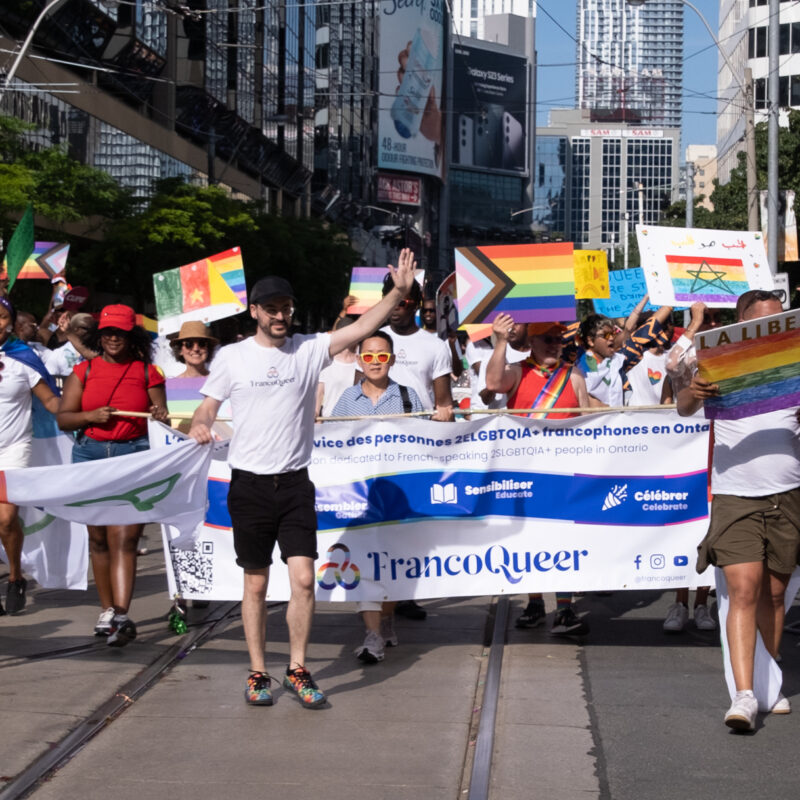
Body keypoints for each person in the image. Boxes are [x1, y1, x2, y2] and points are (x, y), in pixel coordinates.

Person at [188, 250, 418, 708]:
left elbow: (360, 328)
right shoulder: (232, 358)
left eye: (286, 308)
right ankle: (257, 673)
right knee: (255, 584)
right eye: (271, 309)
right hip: (249, 484)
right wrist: (199, 422)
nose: (280, 316)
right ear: (254, 311)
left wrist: (397, 292)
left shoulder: (309, 348)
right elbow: (207, 406)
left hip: (294, 485)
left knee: (304, 580)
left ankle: (297, 667)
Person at [678, 289, 797, 731]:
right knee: (744, 590)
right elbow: (683, 406)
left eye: (780, 318)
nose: (773, 326)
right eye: (763, 320)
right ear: (742, 323)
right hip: (735, 496)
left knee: (775, 594)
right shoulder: (712, 360)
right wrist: (693, 390)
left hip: (789, 494)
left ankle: (769, 679)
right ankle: (744, 696)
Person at [57, 304, 168, 646]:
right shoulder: (83, 371)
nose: (113, 338)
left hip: (132, 456)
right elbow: (64, 418)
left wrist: (159, 414)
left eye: (119, 332)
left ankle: (120, 613)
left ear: (130, 334)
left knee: (126, 538)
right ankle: (107, 612)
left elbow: (162, 418)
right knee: (99, 538)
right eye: (107, 333)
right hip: (89, 456)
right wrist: (90, 416)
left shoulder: (148, 372)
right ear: (98, 335)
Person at [486, 313, 591, 636]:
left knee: (564, 540)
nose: (555, 345)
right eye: (548, 338)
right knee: (529, 540)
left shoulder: (573, 376)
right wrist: (501, 340)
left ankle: (564, 606)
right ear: (531, 341)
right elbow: (492, 384)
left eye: (559, 339)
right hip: (526, 473)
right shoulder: (517, 372)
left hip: (564, 475)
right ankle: (534, 602)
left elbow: (589, 424)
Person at [331, 331, 424, 663]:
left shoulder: (410, 397)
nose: (374, 362)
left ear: (392, 360)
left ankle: (385, 619)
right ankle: (372, 635)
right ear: (358, 360)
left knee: (393, 567)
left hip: (399, 499)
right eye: (368, 356)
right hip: (359, 500)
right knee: (364, 564)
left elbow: (429, 443)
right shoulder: (345, 400)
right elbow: (331, 445)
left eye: (381, 356)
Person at [380, 275, 454, 620]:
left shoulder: (435, 346)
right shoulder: (373, 340)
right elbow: (358, 392)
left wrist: (446, 446)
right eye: (390, 299)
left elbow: (443, 403)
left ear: (415, 305)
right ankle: (373, 594)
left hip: (418, 449)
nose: (396, 308)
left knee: (411, 525)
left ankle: (405, 592)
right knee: (377, 524)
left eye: (404, 302)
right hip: (377, 448)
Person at [659, 301, 719, 633]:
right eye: (704, 317)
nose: (709, 323)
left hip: (716, 452)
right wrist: (693, 326)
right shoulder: (689, 351)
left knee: (708, 532)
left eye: (713, 318)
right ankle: (679, 603)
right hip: (684, 454)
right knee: (685, 530)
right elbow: (671, 365)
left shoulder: (728, 350)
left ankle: (701, 605)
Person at [0, 297, 61, 615]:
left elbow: (51, 401)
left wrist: (82, 411)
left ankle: (14, 577)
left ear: (9, 323)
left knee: (7, 519)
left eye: (0, 317)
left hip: (13, 448)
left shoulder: (23, 358)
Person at [316, 315, 358, 417]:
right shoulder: (327, 361)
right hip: (331, 422)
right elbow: (319, 393)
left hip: (358, 423)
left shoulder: (365, 359)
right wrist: (317, 415)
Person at [43, 313, 97, 378]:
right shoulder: (58, 354)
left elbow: (91, 355)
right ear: (75, 329)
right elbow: (49, 379)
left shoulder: (102, 349)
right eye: (86, 328)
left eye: (94, 327)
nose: (91, 331)